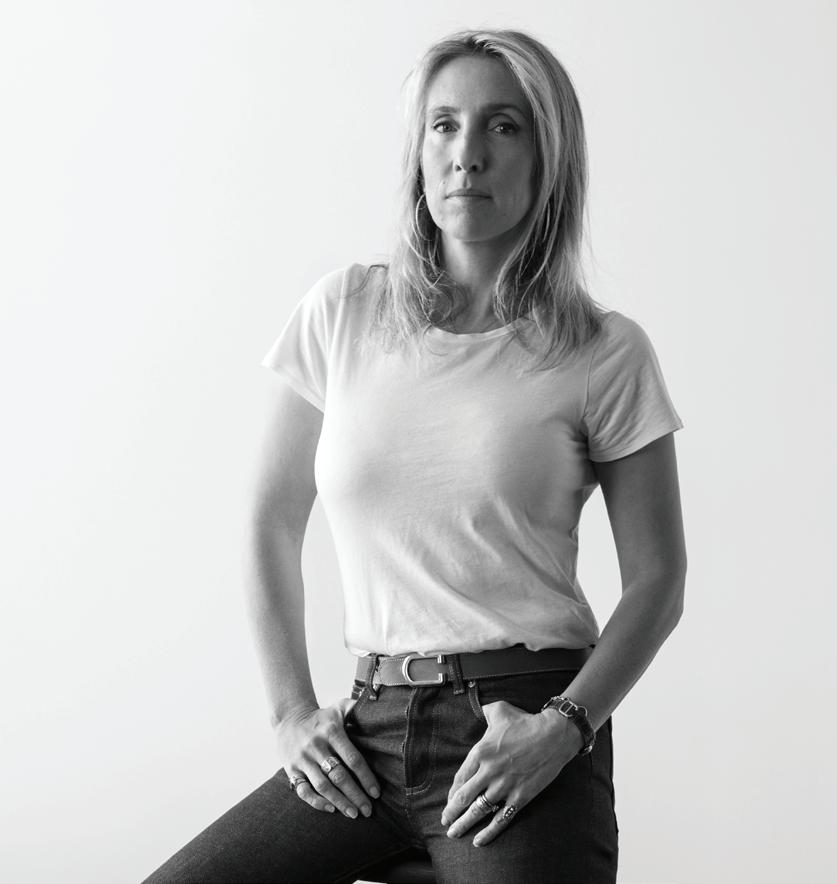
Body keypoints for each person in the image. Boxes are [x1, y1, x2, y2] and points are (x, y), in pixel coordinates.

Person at [143, 26, 686, 884]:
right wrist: (290, 714)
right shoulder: (343, 313)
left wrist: (564, 728)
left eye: (503, 126)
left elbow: (658, 579)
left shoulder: (602, 352)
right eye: (444, 125)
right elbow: (270, 521)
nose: (468, 153)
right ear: (418, 152)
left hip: (518, 727)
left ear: (549, 156)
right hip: (367, 733)